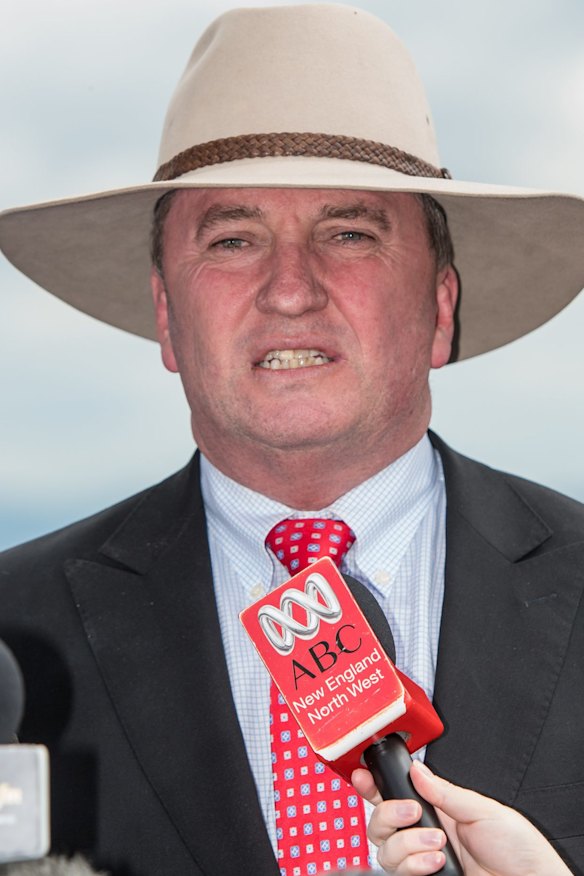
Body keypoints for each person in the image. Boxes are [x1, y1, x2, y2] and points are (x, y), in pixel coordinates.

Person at [0, 5, 583, 876]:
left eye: (349, 233)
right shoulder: (11, 633)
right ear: (167, 316)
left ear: (440, 306)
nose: (288, 290)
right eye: (232, 239)